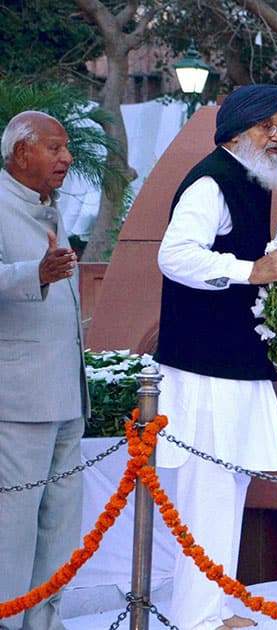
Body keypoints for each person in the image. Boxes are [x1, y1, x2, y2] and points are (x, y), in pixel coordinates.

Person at [156, 84, 277, 630]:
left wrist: (265, 258)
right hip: (204, 366)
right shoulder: (211, 180)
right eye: (267, 126)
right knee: (208, 495)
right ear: (236, 131)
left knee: (229, 490)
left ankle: (213, 609)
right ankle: (196, 618)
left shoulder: (249, 180)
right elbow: (175, 256)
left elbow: (233, 252)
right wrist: (253, 271)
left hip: (235, 362)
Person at [0, 111, 86, 630]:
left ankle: (43, 622)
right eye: (55, 148)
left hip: (67, 397)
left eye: (66, 148)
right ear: (20, 153)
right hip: (19, 398)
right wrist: (33, 273)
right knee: (13, 525)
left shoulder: (49, 207)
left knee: (60, 525)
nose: (67, 158)